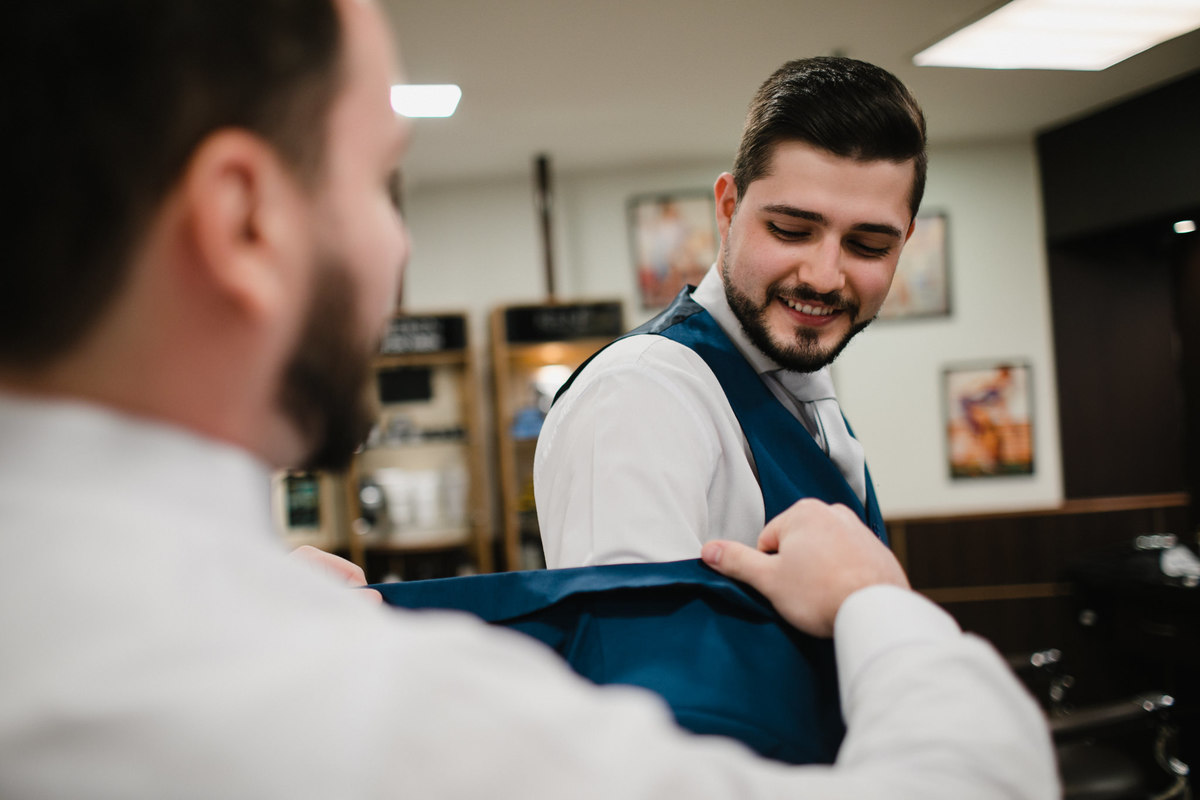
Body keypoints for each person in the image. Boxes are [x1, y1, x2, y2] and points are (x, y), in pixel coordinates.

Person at [0, 1, 1057, 796]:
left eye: (868, 241)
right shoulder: (339, 708)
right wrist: (875, 602)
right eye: (382, 181)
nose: (399, 248)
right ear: (243, 220)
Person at [535, 57, 923, 568]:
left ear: (904, 242)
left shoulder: (804, 391)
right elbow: (634, 621)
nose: (825, 277)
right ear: (727, 208)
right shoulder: (639, 394)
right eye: (790, 231)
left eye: (868, 245)